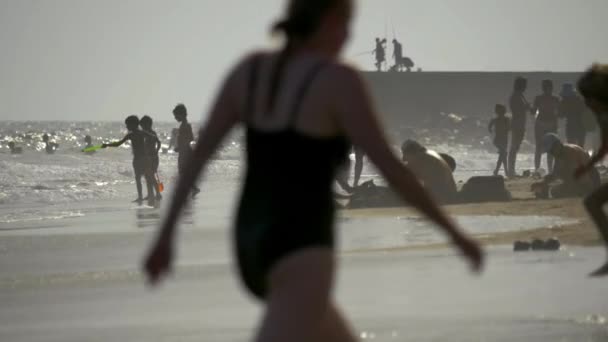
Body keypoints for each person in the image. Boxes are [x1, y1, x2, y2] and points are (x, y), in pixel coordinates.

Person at [143, 1, 484, 341]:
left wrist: (165, 235)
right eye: (347, 24)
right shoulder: (339, 80)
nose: (348, 35)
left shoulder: (248, 72)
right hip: (302, 245)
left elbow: (199, 157)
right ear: (331, 20)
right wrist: (454, 233)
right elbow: (392, 168)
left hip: (250, 242)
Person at [574, 64, 608, 276]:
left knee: (592, 201)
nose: (586, 102)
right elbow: (604, 147)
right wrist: (586, 166)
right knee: (592, 202)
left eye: (589, 97)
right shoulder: (602, 116)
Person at [102, 115, 157, 206]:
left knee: (147, 177)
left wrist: (151, 149)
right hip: (138, 159)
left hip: (143, 158)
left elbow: (153, 137)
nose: (127, 127)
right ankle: (141, 196)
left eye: (128, 125)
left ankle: (149, 195)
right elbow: (118, 143)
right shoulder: (133, 134)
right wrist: (107, 145)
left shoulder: (137, 133)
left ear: (133, 124)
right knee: (139, 177)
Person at [532, 133, 599, 199]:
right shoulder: (561, 153)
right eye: (550, 152)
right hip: (583, 180)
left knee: (555, 192)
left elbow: (575, 176)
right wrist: (543, 182)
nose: (552, 153)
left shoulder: (570, 152)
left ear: (557, 144)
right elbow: (556, 174)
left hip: (589, 182)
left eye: (552, 150)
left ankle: (583, 192)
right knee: (555, 190)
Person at [400, 140, 459, 204]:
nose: (404, 159)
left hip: (441, 200)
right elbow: (451, 162)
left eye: (406, 155)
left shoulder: (419, 161)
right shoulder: (432, 155)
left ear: (412, 153)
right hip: (450, 196)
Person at [532, 79, 560, 173]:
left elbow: (533, 111)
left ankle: (550, 170)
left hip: (546, 123)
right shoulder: (554, 98)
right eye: (547, 88)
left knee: (549, 148)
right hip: (543, 123)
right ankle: (537, 169)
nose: (548, 90)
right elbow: (558, 112)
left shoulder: (541, 98)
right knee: (539, 147)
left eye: (548, 88)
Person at [172, 104, 201, 197]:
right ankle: (192, 188)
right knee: (183, 173)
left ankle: (191, 189)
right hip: (185, 152)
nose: (175, 117)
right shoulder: (184, 125)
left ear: (182, 114)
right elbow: (190, 138)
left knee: (182, 172)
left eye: (176, 115)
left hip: (185, 153)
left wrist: (180, 147)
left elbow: (189, 139)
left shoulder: (185, 126)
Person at [508, 77, 530, 177]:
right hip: (517, 124)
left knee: (515, 147)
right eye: (524, 85)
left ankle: (511, 170)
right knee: (514, 147)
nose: (525, 87)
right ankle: (511, 170)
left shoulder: (520, 96)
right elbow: (516, 110)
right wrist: (525, 107)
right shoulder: (516, 96)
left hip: (519, 123)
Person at [140, 115, 163, 201]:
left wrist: (156, 151)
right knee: (147, 176)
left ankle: (158, 193)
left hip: (152, 157)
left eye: (143, 125)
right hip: (147, 157)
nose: (142, 128)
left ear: (148, 124)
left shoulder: (152, 133)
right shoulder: (145, 134)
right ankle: (150, 194)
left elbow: (159, 142)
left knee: (152, 176)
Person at [559, 83, 588, 148]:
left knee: (571, 146)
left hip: (571, 126)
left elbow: (561, 115)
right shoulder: (579, 100)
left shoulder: (563, 102)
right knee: (580, 147)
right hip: (581, 126)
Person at [488, 104, 511, 176]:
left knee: (502, 155)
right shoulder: (505, 119)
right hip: (500, 140)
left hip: (501, 140)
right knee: (503, 154)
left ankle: (497, 171)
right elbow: (510, 128)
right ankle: (505, 171)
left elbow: (489, 127)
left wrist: (491, 130)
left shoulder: (502, 120)